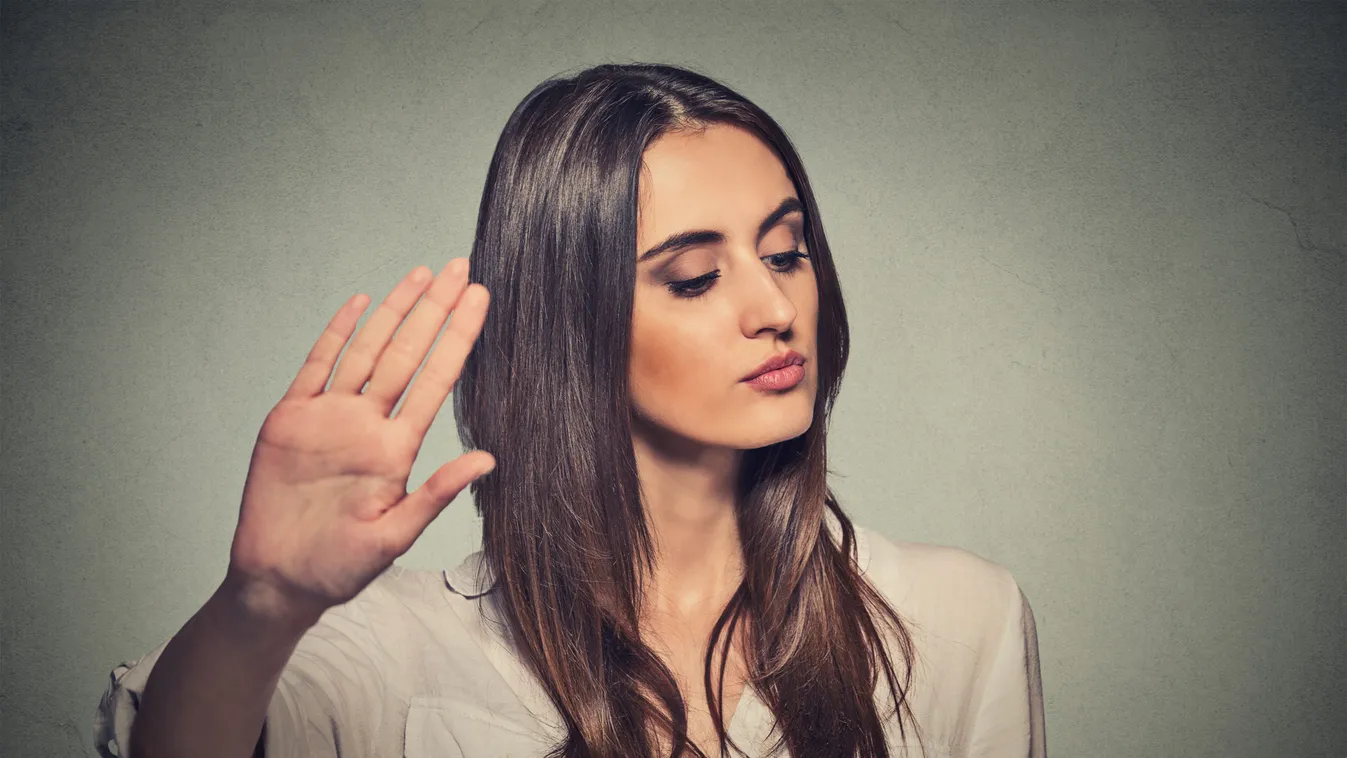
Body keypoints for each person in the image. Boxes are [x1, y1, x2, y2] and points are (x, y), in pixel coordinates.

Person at [93, 62, 1045, 758]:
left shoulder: (959, 617)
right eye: (695, 276)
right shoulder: (387, 651)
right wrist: (261, 606)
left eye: (786, 253)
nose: (773, 308)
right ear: (569, 318)